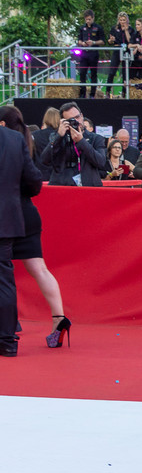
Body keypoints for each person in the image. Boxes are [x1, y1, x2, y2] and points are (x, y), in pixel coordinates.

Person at [0, 107, 71, 349]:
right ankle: (59, 318)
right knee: (39, 269)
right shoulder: (22, 142)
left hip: (7, 218)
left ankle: (8, 324)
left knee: (4, 276)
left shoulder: (12, 142)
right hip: (25, 213)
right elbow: (34, 181)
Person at [0, 109, 44, 357]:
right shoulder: (15, 139)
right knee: (3, 280)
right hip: (5, 220)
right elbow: (34, 180)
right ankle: (7, 340)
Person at [38, 102, 107, 187]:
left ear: (82, 116)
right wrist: (58, 137)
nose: (76, 121)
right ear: (64, 121)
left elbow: (101, 162)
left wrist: (82, 141)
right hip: (62, 186)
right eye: (71, 120)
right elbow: (45, 160)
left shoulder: (96, 138)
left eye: (77, 117)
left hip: (88, 186)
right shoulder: (57, 136)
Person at [76, 9, 106, 99]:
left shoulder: (98, 28)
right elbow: (79, 40)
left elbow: (103, 41)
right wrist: (82, 43)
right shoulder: (82, 28)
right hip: (84, 53)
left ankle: (92, 94)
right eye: (86, 19)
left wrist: (93, 42)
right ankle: (82, 93)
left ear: (93, 18)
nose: (88, 21)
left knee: (93, 73)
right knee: (82, 73)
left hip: (93, 53)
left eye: (89, 19)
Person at [105, 12, 136, 98]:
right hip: (117, 50)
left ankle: (124, 92)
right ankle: (107, 91)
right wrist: (111, 40)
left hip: (126, 50)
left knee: (125, 73)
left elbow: (130, 40)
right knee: (112, 72)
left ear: (127, 20)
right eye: (121, 20)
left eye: (124, 20)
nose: (122, 22)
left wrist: (126, 30)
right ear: (118, 20)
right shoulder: (114, 29)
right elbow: (109, 41)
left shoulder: (131, 29)